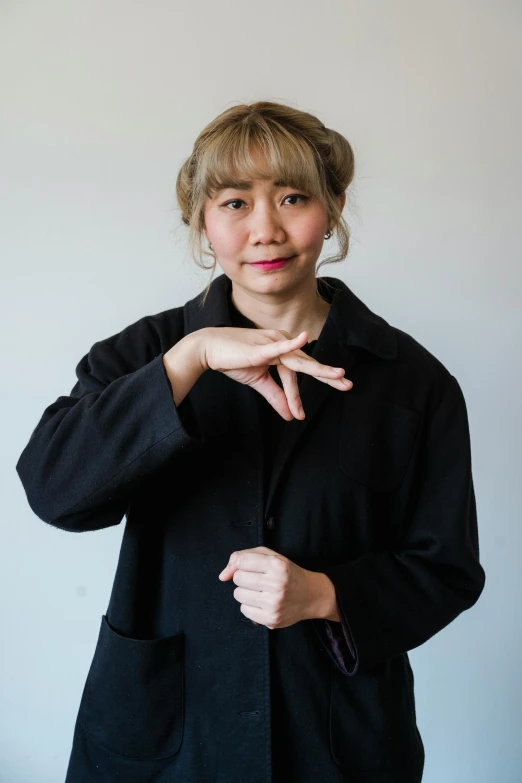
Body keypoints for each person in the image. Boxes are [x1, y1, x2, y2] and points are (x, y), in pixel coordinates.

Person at [15, 100, 486, 783]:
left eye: (293, 196)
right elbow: (55, 488)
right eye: (235, 202)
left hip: (336, 741)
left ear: (334, 203)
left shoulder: (413, 382)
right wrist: (192, 359)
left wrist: (327, 593)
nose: (265, 229)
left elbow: (447, 568)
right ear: (202, 220)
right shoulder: (147, 355)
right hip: (165, 740)